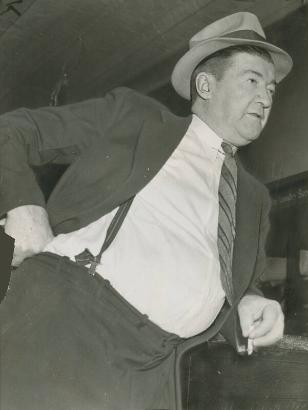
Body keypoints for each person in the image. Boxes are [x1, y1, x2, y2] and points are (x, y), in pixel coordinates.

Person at [0, 12, 292, 410]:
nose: (265, 98)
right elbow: (12, 131)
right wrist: (23, 204)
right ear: (206, 85)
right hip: (71, 330)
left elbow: (234, 284)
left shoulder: (255, 200)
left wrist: (251, 304)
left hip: (157, 370)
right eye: (253, 81)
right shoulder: (135, 118)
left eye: (272, 89)